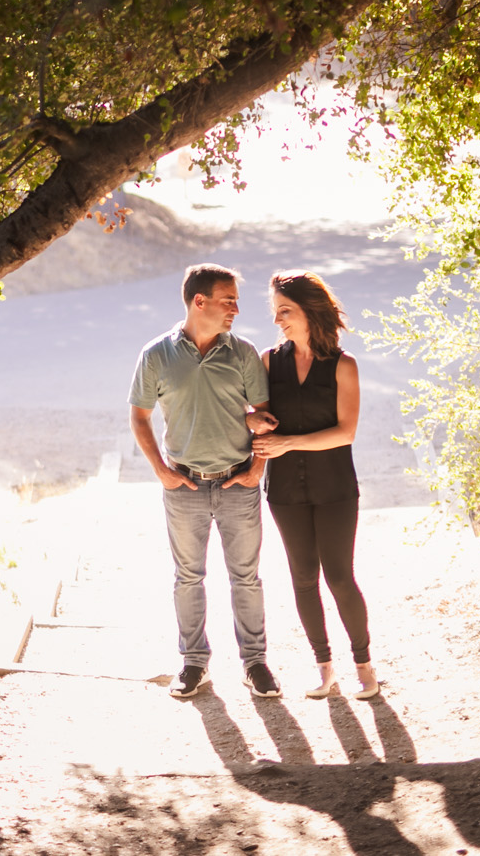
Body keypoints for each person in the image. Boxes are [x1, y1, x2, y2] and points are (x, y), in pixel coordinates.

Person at [128, 263, 283, 700]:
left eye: (235, 300)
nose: (236, 307)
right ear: (200, 302)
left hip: (238, 484)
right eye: (227, 299)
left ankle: (255, 663)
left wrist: (257, 470)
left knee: (246, 578)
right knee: (188, 578)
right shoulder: (156, 355)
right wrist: (161, 470)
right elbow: (139, 416)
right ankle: (194, 663)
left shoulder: (243, 353)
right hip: (185, 487)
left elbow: (263, 416)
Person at [251, 270, 379, 700]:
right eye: (275, 312)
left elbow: (345, 432)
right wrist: (255, 422)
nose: (278, 321)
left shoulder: (344, 366)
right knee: (303, 578)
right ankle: (324, 668)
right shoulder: (269, 362)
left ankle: (363, 665)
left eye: (284, 311)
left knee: (340, 578)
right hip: (285, 492)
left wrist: (289, 441)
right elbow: (258, 420)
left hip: (335, 489)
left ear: (310, 311)